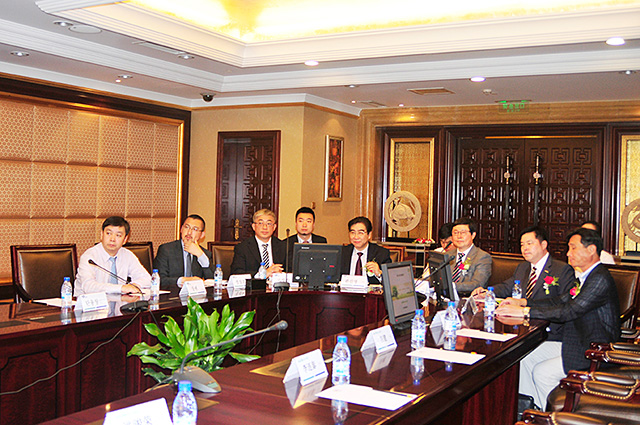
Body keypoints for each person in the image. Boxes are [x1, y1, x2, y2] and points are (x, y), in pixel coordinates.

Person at [496, 227, 620, 410]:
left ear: (591, 250)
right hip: (576, 341)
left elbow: (570, 310)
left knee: (542, 373)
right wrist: (524, 302)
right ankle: (532, 409)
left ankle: (557, 416)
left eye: (573, 248)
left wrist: (526, 312)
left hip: (593, 350)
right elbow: (560, 300)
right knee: (523, 357)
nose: (568, 253)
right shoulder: (585, 276)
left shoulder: (599, 279)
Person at [472, 226, 574, 343]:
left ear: (543, 245)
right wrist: (487, 293)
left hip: (547, 334)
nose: (525, 248)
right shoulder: (523, 267)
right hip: (520, 329)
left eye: (529, 243)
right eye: (522, 245)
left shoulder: (561, 269)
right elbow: (506, 287)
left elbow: (563, 304)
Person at [75, 216, 151, 296]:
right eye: (108, 233)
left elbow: (148, 279)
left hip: (120, 302)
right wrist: (121, 288)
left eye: (118, 235)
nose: (112, 239)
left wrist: (134, 285)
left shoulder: (127, 255)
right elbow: (88, 287)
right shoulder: (89, 257)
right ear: (101, 235)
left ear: (125, 239)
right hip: (89, 302)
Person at [154, 214, 214, 289]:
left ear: (202, 235)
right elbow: (159, 280)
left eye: (195, 229)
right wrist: (182, 280)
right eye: (186, 227)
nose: (189, 232)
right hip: (173, 294)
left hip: (196, 295)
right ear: (181, 229)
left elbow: (213, 280)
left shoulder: (204, 254)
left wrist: (200, 255)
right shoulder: (166, 250)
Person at [230, 209, 286, 277]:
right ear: (253, 226)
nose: (265, 227)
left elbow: (290, 271)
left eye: (269, 224)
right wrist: (263, 274)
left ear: (274, 227)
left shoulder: (283, 246)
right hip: (254, 283)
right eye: (260, 223)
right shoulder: (242, 248)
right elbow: (236, 273)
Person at [445, 217, 492, 297]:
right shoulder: (448, 255)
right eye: (455, 233)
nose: (459, 236)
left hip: (468, 299)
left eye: (463, 233)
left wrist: (451, 286)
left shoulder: (482, 257)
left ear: (473, 235)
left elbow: (477, 284)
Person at [340, 216, 392, 284]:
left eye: (360, 233)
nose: (356, 237)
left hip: (369, 290)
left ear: (369, 235)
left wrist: (379, 273)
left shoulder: (382, 253)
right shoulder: (341, 252)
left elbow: (391, 281)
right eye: (353, 232)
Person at [285, 207, 328, 271]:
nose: (304, 225)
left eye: (308, 221)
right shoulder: (286, 243)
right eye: (301, 221)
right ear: (296, 224)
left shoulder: (321, 242)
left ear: (313, 224)